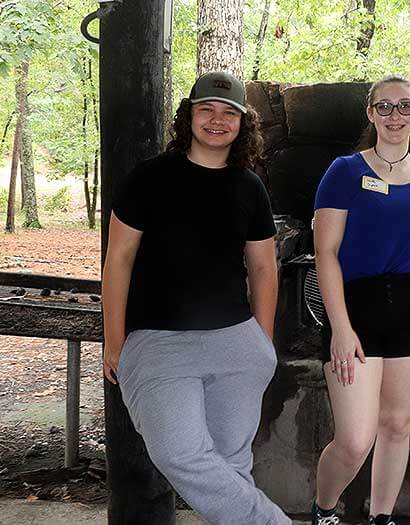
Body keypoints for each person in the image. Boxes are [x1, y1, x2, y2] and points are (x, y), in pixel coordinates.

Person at [101, 71, 291, 525]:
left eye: (229, 113)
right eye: (206, 109)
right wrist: (113, 339)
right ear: (188, 116)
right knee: (180, 452)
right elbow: (118, 261)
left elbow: (264, 268)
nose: (217, 120)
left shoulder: (250, 187)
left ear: (243, 124)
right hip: (158, 344)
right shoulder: (149, 178)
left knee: (230, 463)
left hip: (236, 343)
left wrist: (262, 341)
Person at [311, 75, 410, 525]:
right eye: (385, 107)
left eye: (405, 106)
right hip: (356, 309)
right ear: (370, 113)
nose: (395, 115)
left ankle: (381, 517)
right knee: (355, 438)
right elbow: (326, 253)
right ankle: (324, 509)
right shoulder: (345, 171)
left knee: (396, 427)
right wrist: (341, 327)